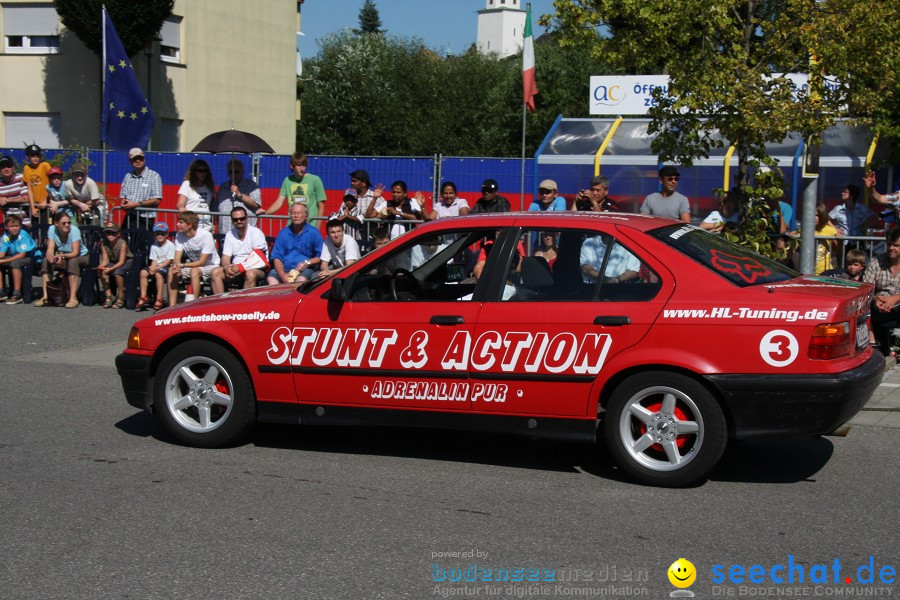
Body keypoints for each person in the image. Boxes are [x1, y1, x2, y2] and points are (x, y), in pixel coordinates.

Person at [210, 206, 269, 293]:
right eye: (235, 219)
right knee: (215, 272)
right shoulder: (230, 234)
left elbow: (258, 258)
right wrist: (227, 267)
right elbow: (225, 257)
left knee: (250, 274)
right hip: (236, 268)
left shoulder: (255, 232)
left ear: (247, 218)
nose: (239, 221)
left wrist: (239, 267)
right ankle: (221, 304)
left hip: (257, 268)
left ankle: (244, 305)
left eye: (242, 218)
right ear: (232, 220)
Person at [167, 211, 220, 306]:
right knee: (172, 271)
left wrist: (182, 265)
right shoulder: (180, 234)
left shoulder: (206, 236)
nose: (177, 224)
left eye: (181, 222)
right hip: (193, 265)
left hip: (211, 266)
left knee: (194, 271)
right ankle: (171, 307)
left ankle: (193, 305)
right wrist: (176, 266)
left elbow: (202, 262)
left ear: (189, 225)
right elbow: (177, 256)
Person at [35, 214, 89, 308]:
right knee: (46, 260)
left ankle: (73, 298)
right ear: (56, 223)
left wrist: (61, 255)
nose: (67, 225)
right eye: (63, 223)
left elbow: (75, 253)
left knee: (73, 262)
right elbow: (51, 248)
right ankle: (46, 296)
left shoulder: (74, 230)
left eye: (68, 223)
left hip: (82, 256)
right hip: (63, 255)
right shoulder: (52, 229)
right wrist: (50, 255)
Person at [864, 227, 900, 354]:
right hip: (877, 304)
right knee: (862, 305)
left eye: (896, 245)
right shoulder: (876, 262)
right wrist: (875, 299)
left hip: (898, 304)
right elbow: (866, 287)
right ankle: (872, 344)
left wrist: (895, 298)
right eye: (889, 244)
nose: (891, 248)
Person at [268, 203, 323, 284]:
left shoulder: (314, 233)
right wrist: (283, 275)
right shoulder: (283, 233)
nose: (296, 216)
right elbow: (276, 257)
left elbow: (320, 256)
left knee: (300, 280)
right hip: (284, 268)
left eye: (299, 213)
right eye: (293, 213)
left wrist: (307, 263)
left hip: (304, 270)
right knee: (271, 278)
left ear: (306, 215)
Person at [266, 152, 327, 224]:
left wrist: (317, 228)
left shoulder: (315, 180)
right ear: (292, 166)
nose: (302, 169)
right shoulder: (287, 180)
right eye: (299, 165)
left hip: (310, 226)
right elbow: (279, 202)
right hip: (292, 226)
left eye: (304, 165)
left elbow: (321, 206)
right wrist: (265, 213)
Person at [118, 148, 161, 230]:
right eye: (134, 159)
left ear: (144, 160)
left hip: (146, 219)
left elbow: (157, 200)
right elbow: (123, 196)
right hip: (130, 216)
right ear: (130, 161)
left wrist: (136, 204)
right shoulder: (128, 176)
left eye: (140, 158)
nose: (138, 161)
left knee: (143, 242)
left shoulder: (154, 176)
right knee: (126, 241)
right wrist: (124, 203)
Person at [215, 159, 262, 232]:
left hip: (245, 233)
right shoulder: (223, 187)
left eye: (237, 172)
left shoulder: (251, 185)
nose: (234, 174)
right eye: (231, 172)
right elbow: (216, 207)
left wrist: (239, 194)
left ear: (242, 172)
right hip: (225, 232)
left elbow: (256, 204)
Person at [136, 222, 175, 311]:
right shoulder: (154, 245)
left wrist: (156, 268)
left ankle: (159, 298)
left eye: (162, 234)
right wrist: (152, 268)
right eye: (157, 234)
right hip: (157, 265)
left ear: (167, 234)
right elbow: (154, 259)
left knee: (158, 274)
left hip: (166, 266)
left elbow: (169, 261)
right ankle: (143, 296)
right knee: (143, 272)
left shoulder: (170, 245)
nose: (159, 236)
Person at [0, 213, 37, 304]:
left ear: (20, 226)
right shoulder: (6, 236)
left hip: (29, 257)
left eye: (16, 226)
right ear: (6, 227)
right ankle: (1, 291)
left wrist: (4, 260)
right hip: (14, 256)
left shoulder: (23, 235)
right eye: (11, 226)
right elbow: (2, 254)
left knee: (15, 263)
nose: (14, 228)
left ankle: (17, 293)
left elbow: (22, 255)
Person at [97, 222, 134, 309]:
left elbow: (121, 261)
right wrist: (101, 266)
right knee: (102, 270)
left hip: (127, 261)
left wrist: (111, 269)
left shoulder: (122, 244)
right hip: (114, 261)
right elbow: (105, 260)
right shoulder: (104, 244)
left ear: (118, 234)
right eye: (108, 233)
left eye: (113, 233)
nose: (110, 235)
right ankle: (109, 295)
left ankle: (121, 296)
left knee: (117, 272)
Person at [177, 159, 216, 233]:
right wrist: (189, 217)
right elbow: (180, 204)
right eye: (200, 171)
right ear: (194, 172)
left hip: (207, 227)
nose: (203, 173)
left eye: (205, 171)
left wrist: (213, 224)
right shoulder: (187, 184)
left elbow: (211, 207)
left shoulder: (209, 186)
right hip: (192, 227)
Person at [23, 144, 50, 227]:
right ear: (28, 156)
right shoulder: (27, 168)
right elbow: (29, 189)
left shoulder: (45, 165)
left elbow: (51, 185)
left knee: (46, 229)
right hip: (35, 205)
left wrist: (45, 200)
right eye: (32, 155)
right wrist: (32, 207)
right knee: (35, 230)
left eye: (37, 155)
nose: (35, 157)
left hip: (46, 205)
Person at [0, 155, 30, 226]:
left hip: (24, 223)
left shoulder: (22, 178)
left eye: (8, 166)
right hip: (7, 226)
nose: (6, 169)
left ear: (13, 168)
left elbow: (26, 198)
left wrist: (8, 200)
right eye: (3, 167)